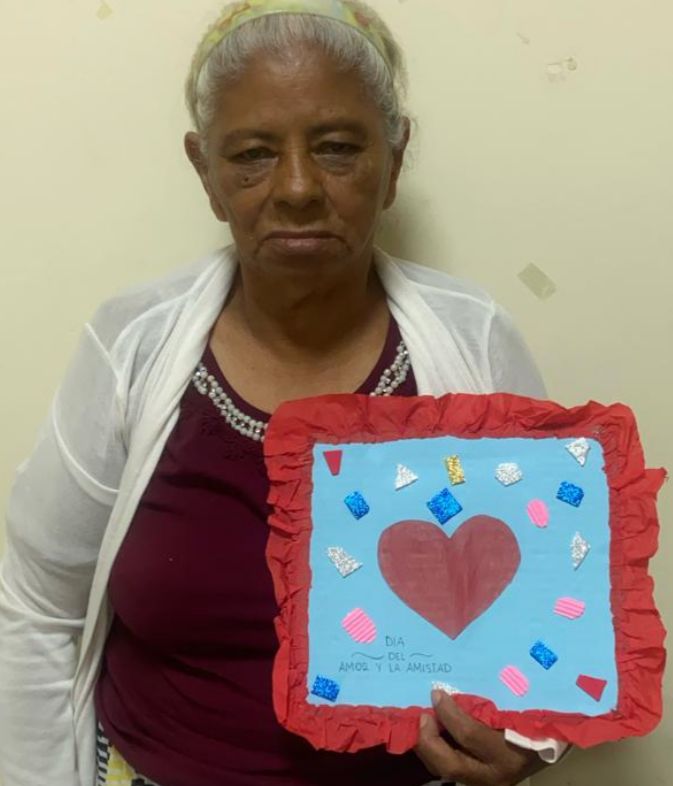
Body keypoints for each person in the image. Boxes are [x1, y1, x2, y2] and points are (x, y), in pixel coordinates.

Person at [0, 1, 567, 784]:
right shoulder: (131, 346)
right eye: (252, 154)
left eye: (337, 148)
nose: (298, 187)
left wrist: (536, 735)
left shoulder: (472, 343)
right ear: (205, 173)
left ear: (395, 159)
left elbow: (553, 594)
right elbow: (35, 608)